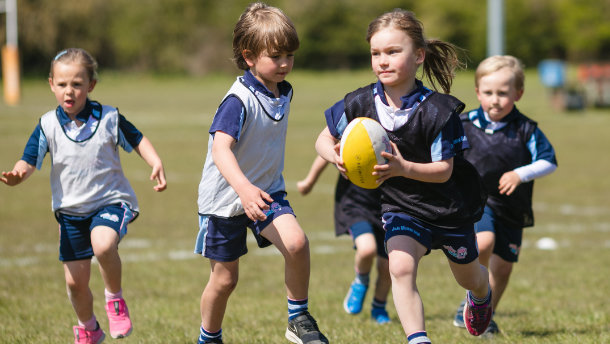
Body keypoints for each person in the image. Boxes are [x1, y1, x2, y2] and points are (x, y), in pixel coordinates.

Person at [315, 9, 493, 343]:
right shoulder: (360, 102)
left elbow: (443, 172)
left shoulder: (439, 111)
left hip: (449, 207)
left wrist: (402, 168)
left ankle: (481, 294)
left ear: (419, 56)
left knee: (469, 277)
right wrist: (335, 155)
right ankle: (418, 338)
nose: (382, 61)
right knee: (399, 267)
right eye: (376, 53)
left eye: (393, 52)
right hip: (401, 206)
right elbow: (323, 139)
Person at [1, 48, 167, 344]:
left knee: (103, 245)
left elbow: (137, 139)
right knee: (75, 284)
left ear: (91, 85)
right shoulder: (47, 125)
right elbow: (28, 160)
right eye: (62, 84)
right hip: (71, 214)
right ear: (51, 84)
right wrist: (18, 174)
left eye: (77, 84)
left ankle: (115, 300)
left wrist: (154, 161)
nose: (69, 91)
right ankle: (89, 328)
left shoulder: (109, 118)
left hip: (110, 202)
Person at [194, 3, 328, 344]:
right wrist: (243, 189)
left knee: (297, 243)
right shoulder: (237, 101)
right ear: (249, 56)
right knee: (225, 281)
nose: (285, 64)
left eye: (289, 55)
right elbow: (220, 149)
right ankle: (208, 338)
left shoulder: (283, 90)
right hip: (225, 199)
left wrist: (255, 189)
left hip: (267, 191)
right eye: (276, 56)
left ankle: (298, 317)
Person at [452, 55, 558, 336]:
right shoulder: (462, 124)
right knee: (484, 241)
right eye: (488, 93)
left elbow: (549, 161)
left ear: (518, 94)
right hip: (477, 202)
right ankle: (473, 296)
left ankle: (484, 315)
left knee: (503, 270)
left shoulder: (526, 129)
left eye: (503, 93)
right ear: (477, 92)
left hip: (512, 207)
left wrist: (519, 174)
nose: (495, 100)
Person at [297, 155, 392, 324]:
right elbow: (327, 148)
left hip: (389, 204)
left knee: (389, 265)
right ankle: (361, 281)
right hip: (355, 204)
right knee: (367, 249)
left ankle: (379, 308)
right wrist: (309, 181)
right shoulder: (351, 129)